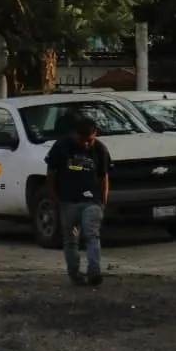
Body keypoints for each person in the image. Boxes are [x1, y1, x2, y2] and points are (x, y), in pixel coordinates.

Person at [45, 114, 112, 286]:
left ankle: (94, 271)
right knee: (71, 239)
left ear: (95, 134)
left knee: (92, 235)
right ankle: (74, 273)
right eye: (82, 140)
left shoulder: (100, 149)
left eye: (89, 140)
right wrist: (53, 197)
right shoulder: (61, 147)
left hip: (92, 202)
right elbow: (51, 173)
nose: (86, 144)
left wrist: (103, 200)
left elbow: (104, 176)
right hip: (68, 202)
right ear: (75, 134)